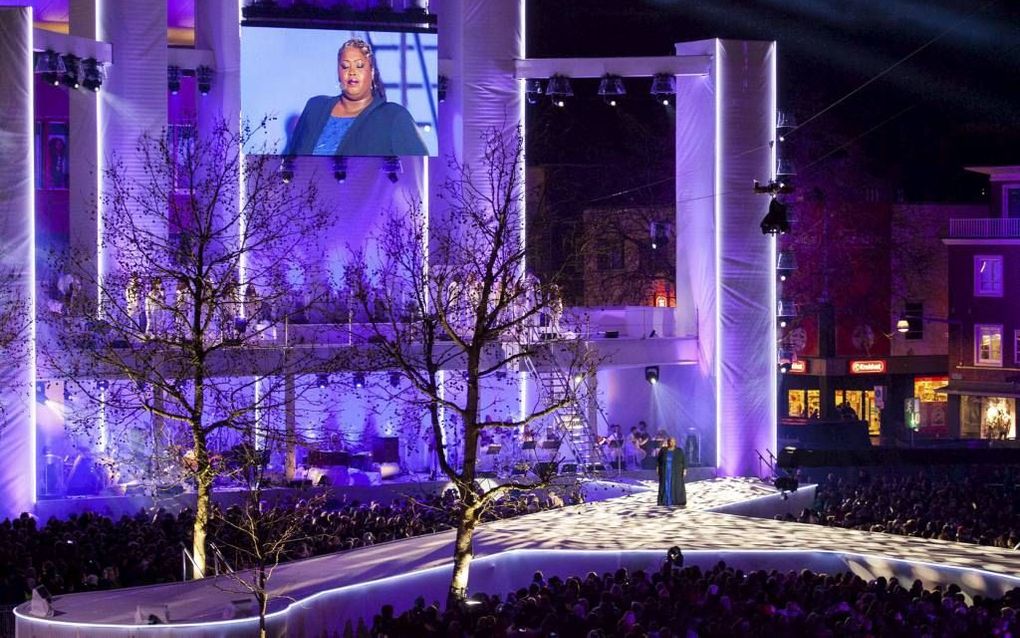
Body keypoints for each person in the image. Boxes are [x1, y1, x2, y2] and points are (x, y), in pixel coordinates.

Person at [285, 38, 428, 157]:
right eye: (345, 66)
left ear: (371, 71)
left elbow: (421, 169)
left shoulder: (394, 116)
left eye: (359, 66)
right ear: (338, 71)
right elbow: (290, 160)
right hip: (307, 189)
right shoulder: (315, 107)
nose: (352, 72)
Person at [656, 437, 686, 507]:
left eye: (673, 441)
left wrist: (684, 469)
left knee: (675, 485)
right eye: (670, 441)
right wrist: (657, 468)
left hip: (675, 471)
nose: (672, 443)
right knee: (665, 484)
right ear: (668, 442)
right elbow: (658, 460)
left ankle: (675, 500)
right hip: (665, 470)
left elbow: (684, 460)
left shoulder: (679, 451)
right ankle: (664, 500)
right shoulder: (663, 450)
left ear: (675, 442)